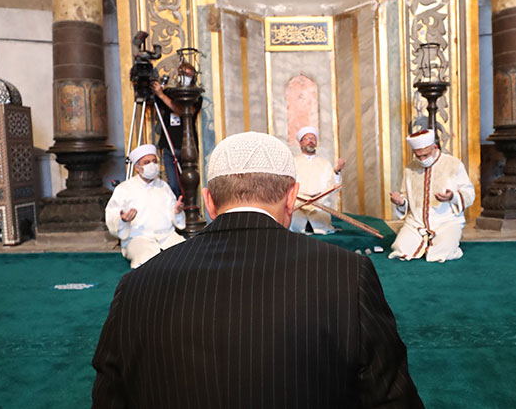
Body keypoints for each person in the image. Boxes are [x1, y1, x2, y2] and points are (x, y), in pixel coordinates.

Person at [92, 132, 424, 408]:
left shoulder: (135, 286)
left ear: (208, 201)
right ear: (292, 197)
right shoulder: (348, 275)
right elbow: (391, 398)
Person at [388, 129, 475, 262]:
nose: (422, 159)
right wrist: (400, 202)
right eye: (418, 156)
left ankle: (438, 244)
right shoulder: (410, 168)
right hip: (417, 223)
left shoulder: (453, 164)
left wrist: (452, 197)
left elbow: (469, 194)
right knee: (400, 249)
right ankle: (424, 241)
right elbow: (405, 196)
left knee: (441, 253)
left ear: (434, 148)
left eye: (425, 155)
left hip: (447, 222)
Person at [105, 144, 186, 268]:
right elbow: (112, 216)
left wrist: (177, 212)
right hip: (138, 239)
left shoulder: (163, 186)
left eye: (154, 161)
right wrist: (123, 220)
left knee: (187, 254)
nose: (152, 165)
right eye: (147, 162)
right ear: (138, 167)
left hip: (167, 237)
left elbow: (174, 217)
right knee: (147, 262)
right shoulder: (124, 189)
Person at [290, 126, 346, 234]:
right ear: (300, 143)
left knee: (321, 214)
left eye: (313, 139)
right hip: (299, 206)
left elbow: (334, 188)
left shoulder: (325, 163)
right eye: (307, 139)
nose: (311, 141)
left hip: (320, 206)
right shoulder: (293, 162)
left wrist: (337, 171)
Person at [151, 80, 183, 198]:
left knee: (185, 183)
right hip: (168, 147)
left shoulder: (192, 96)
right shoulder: (167, 94)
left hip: (185, 146)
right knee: (173, 184)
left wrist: (161, 95)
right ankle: (175, 207)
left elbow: (181, 110)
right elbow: (152, 101)